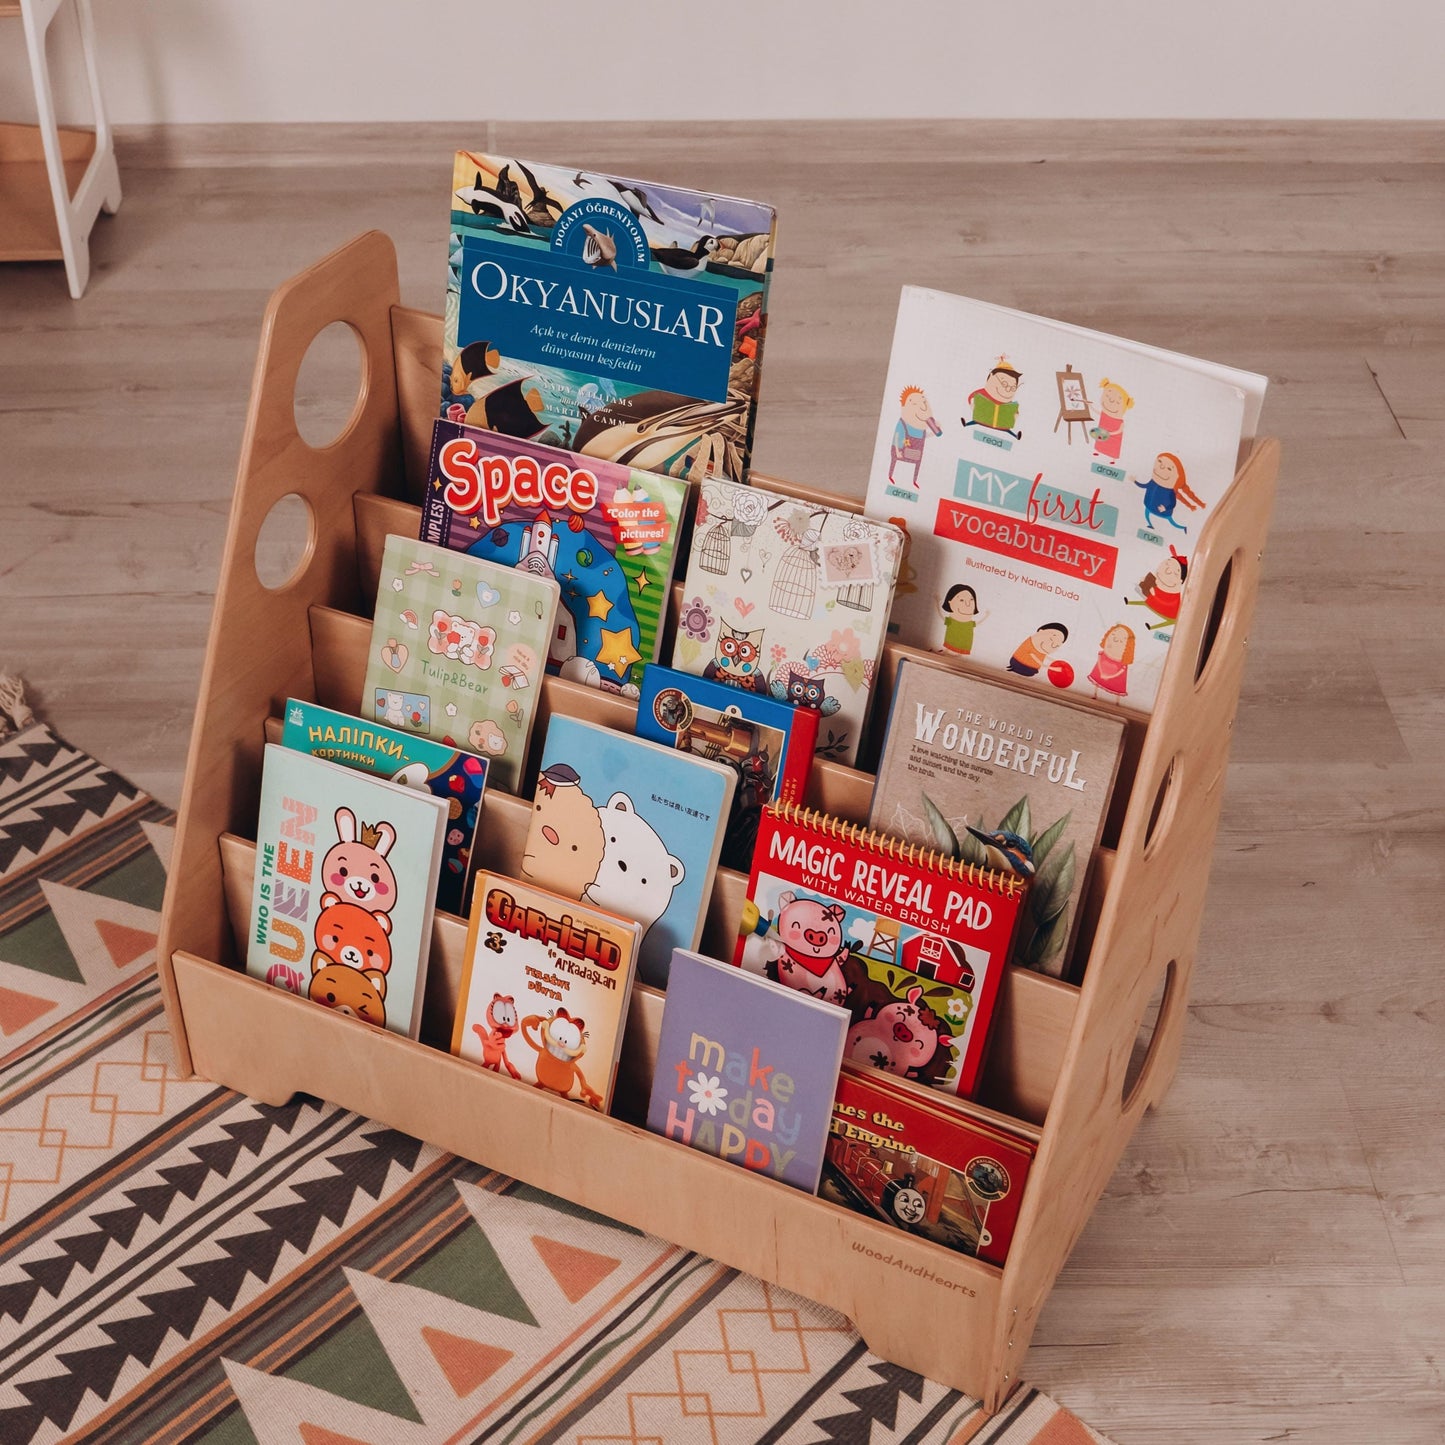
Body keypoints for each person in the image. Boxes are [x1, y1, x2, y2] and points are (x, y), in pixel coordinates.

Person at [1087, 623, 1136, 700]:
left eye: (1120, 641)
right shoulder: (1102, 655)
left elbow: (1120, 672)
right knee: (1097, 681)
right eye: (1114, 638)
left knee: (1117, 688)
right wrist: (1103, 674)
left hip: (1115, 676)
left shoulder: (1122, 664)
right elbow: (1099, 664)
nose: (1115, 643)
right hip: (1103, 670)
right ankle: (1095, 694)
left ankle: (1117, 702)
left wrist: (1107, 676)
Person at [938, 583, 989, 656]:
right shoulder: (951, 620)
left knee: (960, 650)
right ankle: (948, 652)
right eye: (961, 600)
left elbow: (979, 623)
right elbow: (941, 615)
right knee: (949, 647)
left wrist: (986, 616)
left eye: (971, 599)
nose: (967, 604)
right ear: (950, 602)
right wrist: (937, 603)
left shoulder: (969, 623)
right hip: (951, 641)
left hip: (964, 643)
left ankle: (958, 654)